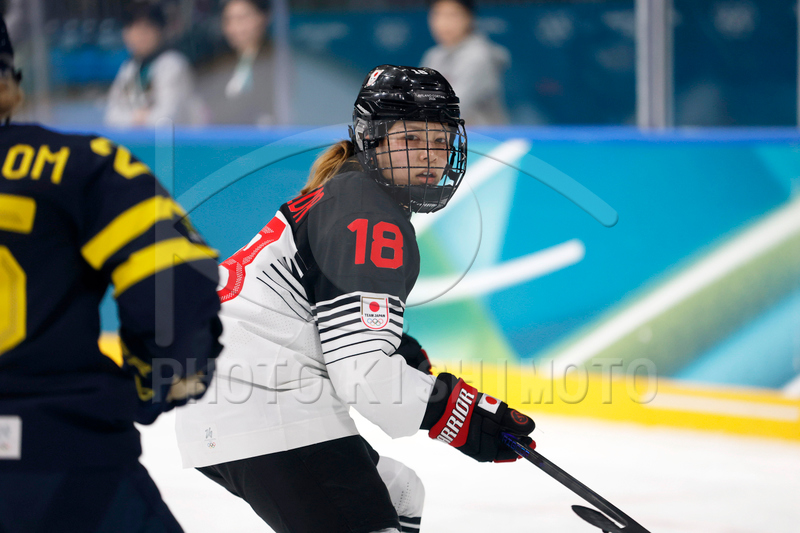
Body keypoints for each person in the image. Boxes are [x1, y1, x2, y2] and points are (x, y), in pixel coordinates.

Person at [175, 64, 535, 533]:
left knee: (400, 492)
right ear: (373, 140)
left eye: (440, 140)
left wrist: (397, 351)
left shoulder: (348, 194)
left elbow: (314, 308)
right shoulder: (367, 214)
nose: (430, 156)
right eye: (411, 139)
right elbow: (364, 375)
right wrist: (457, 412)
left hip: (228, 395)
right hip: (264, 401)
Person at [0, 16, 222, 533]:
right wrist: (155, 383)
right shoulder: (79, 164)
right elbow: (176, 277)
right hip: (60, 460)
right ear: (11, 81)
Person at [105, 2, 203, 127]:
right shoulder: (129, 68)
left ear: (160, 31)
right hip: (142, 138)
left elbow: (167, 118)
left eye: (145, 29)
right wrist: (137, 118)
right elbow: (111, 116)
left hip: (180, 137)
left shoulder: (172, 64)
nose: (139, 36)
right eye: (133, 29)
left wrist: (136, 119)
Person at [420, 0, 510, 125]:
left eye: (452, 15)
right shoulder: (434, 55)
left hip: (483, 135)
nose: (443, 22)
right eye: (437, 14)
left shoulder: (478, 56)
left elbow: (450, 107)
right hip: (445, 133)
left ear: (469, 18)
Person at [197, 0, 275, 125]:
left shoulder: (273, 60)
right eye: (228, 20)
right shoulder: (222, 64)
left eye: (241, 18)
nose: (235, 27)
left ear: (262, 18)